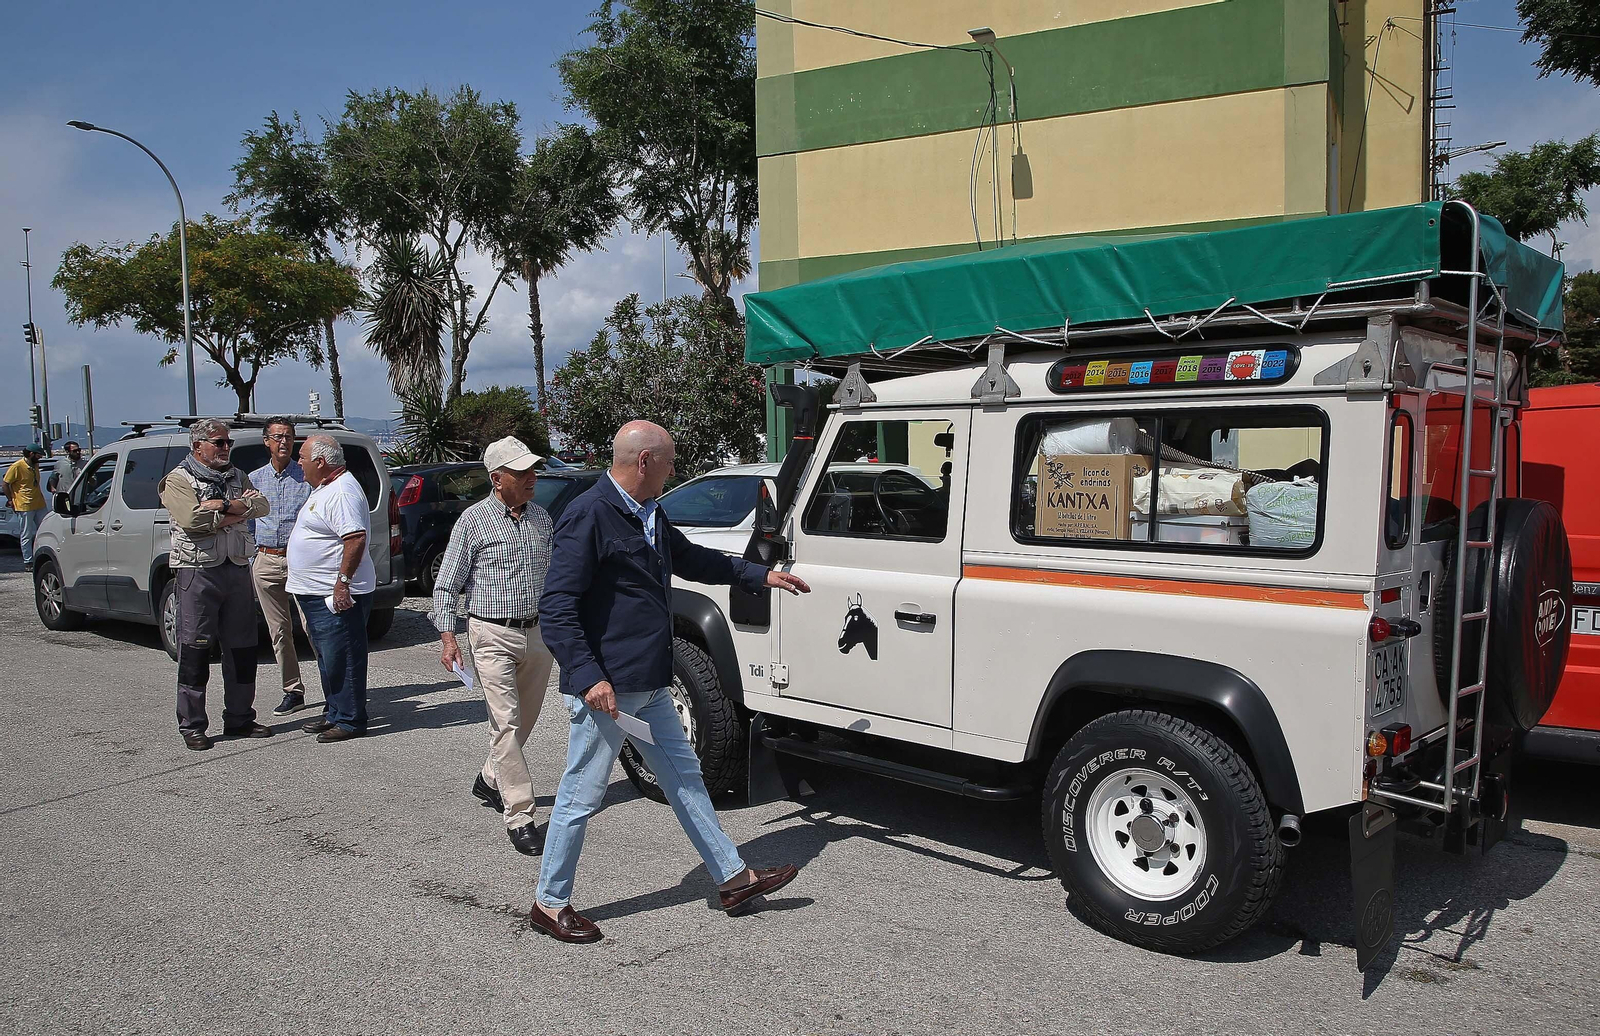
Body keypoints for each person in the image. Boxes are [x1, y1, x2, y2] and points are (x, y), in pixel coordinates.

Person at [533, 421, 812, 944]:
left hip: (651, 678)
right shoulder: (589, 515)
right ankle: (550, 903)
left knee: (685, 780)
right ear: (644, 463)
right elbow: (557, 607)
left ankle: (732, 878)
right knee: (580, 794)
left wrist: (757, 574)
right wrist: (589, 676)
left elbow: (692, 559)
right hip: (610, 688)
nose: (674, 468)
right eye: (670, 460)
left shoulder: (650, 513)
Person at [432, 436, 556, 857]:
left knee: (525, 721)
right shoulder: (472, 521)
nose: (531, 478)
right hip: (491, 634)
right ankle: (520, 815)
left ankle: (489, 777)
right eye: (521, 472)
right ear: (497, 479)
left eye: (533, 470)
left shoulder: (542, 518)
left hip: (538, 633)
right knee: (505, 723)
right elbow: (447, 583)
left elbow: (555, 576)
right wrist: (449, 636)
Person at [156, 420, 273, 751]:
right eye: (219, 443)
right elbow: (193, 521)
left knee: (242, 647)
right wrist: (239, 509)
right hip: (197, 571)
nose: (225, 448)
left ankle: (240, 718)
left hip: (235, 568)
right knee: (194, 648)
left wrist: (220, 506)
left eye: (228, 443)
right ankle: (192, 724)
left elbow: (262, 506)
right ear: (198, 447)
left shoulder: (236, 476)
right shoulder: (178, 480)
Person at [287, 435, 375, 743]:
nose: (298, 462)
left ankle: (351, 720)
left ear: (321, 462)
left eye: (302, 457)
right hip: (316, 591)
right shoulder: (325, 488)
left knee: (345, 655)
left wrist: (342, 584)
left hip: (333, 593)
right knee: (329, 657)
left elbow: (355, 539)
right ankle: (335, 712)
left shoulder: (342, 491)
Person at [248, 418, 313, 717]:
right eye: (277, 437)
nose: (283, 442)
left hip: (301, 560)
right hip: (266, 560)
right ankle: (292, 690)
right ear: (266, 441)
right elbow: (247, 522)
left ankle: (335, 690)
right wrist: (254, 560)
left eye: (288, 436)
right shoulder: (255, 479)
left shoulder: (307, 476)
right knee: (279, 631)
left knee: (313, 625)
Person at [4, 445, 49, 570]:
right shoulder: (17, 466)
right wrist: (11, 500)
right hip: (24, 504)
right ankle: (28, 561)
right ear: (30, 454)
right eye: (38, 454)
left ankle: (43, 555)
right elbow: (5, 484)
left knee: (45, 529)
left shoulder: (35, 465)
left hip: (39, 502)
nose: (40, 457)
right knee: (26, 533)